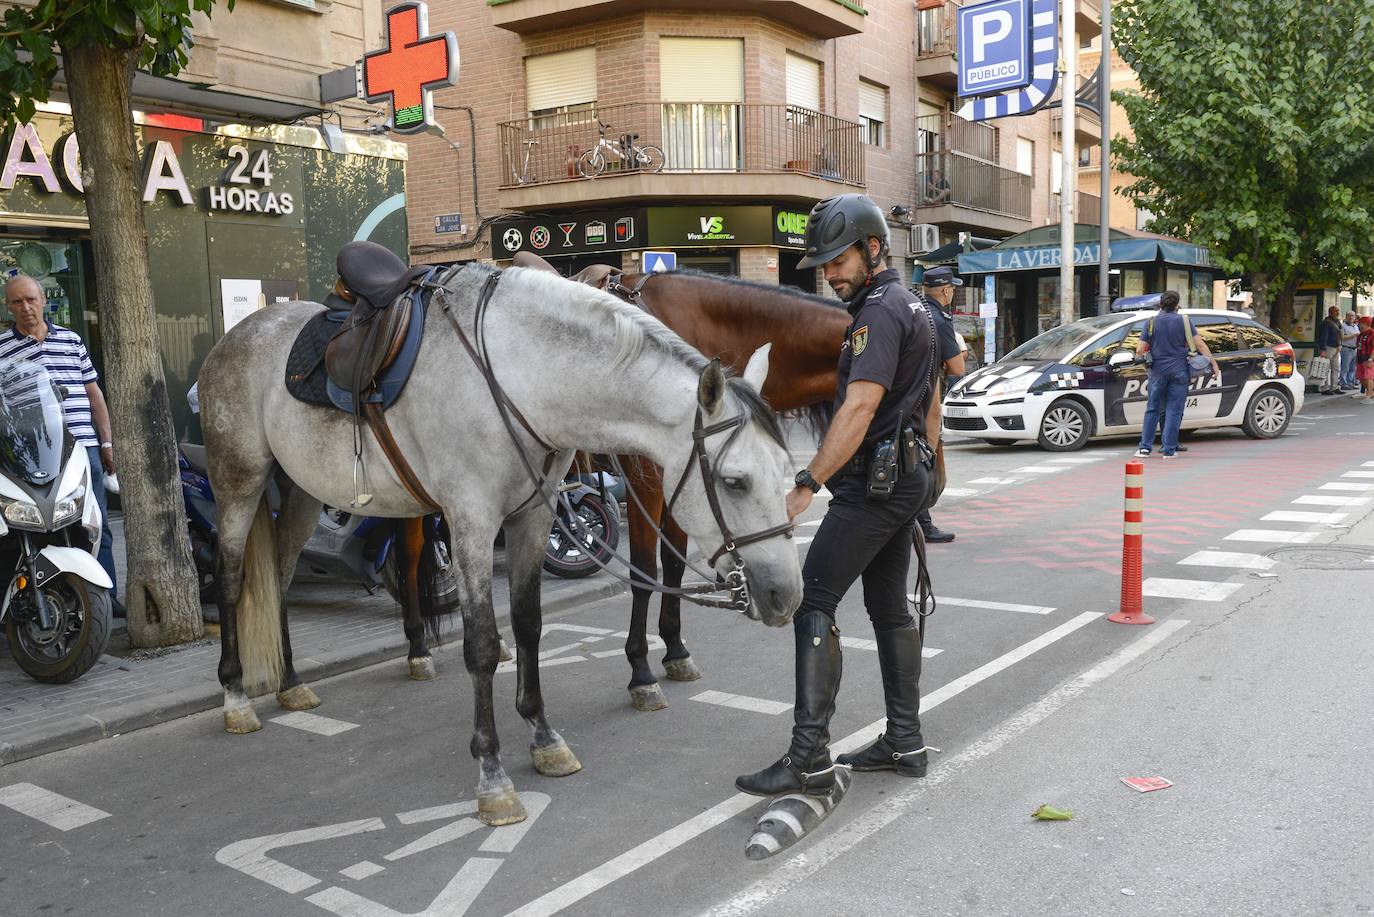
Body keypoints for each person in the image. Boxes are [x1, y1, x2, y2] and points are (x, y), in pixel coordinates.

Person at [735, 194, 940, 798]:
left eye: (839, 259)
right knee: (889, 608)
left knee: (813, 599)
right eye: (824, 264)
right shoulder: (916, 307)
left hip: (873, 486)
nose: (830, 273)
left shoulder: (876, 314)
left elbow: (859, 406)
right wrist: (926, 476)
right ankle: (905, 740)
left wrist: (806, 484)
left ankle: (808, 758)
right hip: (902, 479)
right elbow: (928, 401)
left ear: (874, 247)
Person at [0, 275, 122, 616]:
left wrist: (107, 442)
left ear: (43, 301)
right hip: (30, 454)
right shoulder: (1, 349)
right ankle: (41, 598)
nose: (25, 307)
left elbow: (93, 394)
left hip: (82, 449)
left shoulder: (71, 340)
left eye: (31, 299)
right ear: (8, 307)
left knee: (95, 524)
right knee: (35, 527)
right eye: (17, 302)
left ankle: (104, 599)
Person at [911, 266, 965, 543]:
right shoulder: (939, 321)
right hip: (926, 400)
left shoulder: (916, 312)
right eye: (952, 289)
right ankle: (922, 525)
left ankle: (918, 523)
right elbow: (957, 367)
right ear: (946, 291)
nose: (953, 293)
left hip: (904, 398)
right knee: (925, 460)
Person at [1133, 291, 1219, 459]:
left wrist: (1146, 366)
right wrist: (1213, 364)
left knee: (1152, 409)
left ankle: (1144, 448)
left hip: (1157, 372)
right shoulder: (1184, 321)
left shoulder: (1150, 323)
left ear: (1160, 304)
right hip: (1180, 371)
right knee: (1174, 410)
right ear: (1177, 305)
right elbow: (1200, 345)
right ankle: (1169, 450)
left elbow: (1139, 350)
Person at [1317, 306, 1343, 395]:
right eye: (1335, 311)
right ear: (1330, 312)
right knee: (1325, 368)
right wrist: (1323, 349)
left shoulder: (1337, 321)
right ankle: (1324, 388)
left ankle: (1334, 387)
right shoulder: (1326, 323)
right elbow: (1323, 336)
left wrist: (1340, 345)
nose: (1337, 312)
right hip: (1328, 347)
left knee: (1336, 368)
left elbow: (1339, 334)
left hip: (1336, 347)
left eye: (1338, 311)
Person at [1340, 311, 1360, 391]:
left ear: (1355, 317)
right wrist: (1353, 335)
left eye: (1352, 316)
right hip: (1346, 349)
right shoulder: (1342, 326)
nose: (1351, 317)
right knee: (1345, 368)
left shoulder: (1356, 326)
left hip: (1354, 349)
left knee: (1352, 368)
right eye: (1349, 316)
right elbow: (1341, 337)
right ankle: (1343, 383)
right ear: (1346, 316)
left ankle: (1350, 383)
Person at [1356, 316, 1374, 402]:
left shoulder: (1372, 333)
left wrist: (1370, 359)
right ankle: (1371, 392)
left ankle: (1369, 395)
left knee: (1368, 377)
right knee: (1360, 376)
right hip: (1360, 359)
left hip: (1368, 359)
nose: (1359, 325)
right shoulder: (1361, 334)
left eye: (1360, 323)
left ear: (1366, 324)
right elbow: (1358, 347)